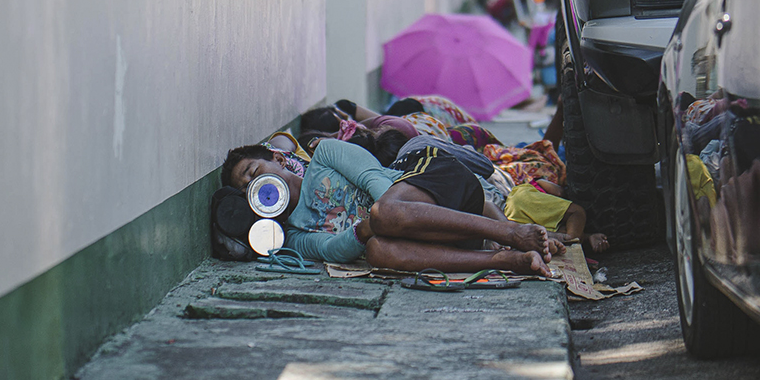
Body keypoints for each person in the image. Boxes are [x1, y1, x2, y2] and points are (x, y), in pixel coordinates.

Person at [222, 139, 560, 276]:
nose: (254, 186)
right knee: (377, 252)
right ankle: (504, 260)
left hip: (434, 180)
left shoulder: (325, 154)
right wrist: (367, 229)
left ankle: (512, 232)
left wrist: (376, 221)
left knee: (384, 213)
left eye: (253, 173)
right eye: (245, 189)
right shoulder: (292, 236)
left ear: (279, 159)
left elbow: (374, 180)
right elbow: (331, 250)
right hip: (430, 236)